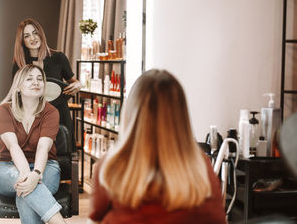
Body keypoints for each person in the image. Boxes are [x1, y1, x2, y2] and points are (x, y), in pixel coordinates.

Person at [87, 69, 226, 224]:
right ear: (181, 118)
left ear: (130, 114)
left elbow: (94, 219)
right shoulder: (201, 168)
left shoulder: (111, 167)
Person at [0, 64, 67, 224]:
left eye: (40, 79)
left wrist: (36, 174)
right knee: (26, 184)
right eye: (29, 79)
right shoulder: (4, 110)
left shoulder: (51, 112)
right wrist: (28, 174)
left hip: (46, 166)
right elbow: (13, 146)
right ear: (18, 86)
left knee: (25, 191)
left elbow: (43, 147)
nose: (36, 82)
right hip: (8, 166)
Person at [12, 18, 82, 151]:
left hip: (60, 114)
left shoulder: (58, 58)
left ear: (41, 34)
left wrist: (78, 85)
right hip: (32, 116)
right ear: (22, 41)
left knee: (63, 153)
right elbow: (16, 94)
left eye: (35, 33)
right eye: (27, 36)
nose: (33, 38)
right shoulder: (20, 64)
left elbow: (74, 81)